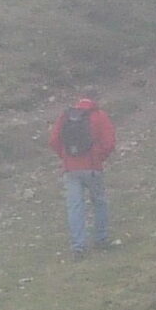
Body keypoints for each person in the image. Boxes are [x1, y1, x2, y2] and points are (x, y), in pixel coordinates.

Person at [48, 92, 116, 258]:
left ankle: (78, 246)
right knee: (99, 202)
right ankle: (101, 239)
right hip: (92, 167)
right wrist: (100, 158)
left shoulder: (67, 115)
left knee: (75, 206)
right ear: (95, 100)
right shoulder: (99, 115)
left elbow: (54, 140)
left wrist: (65, 157)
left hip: (71, 169)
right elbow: (109, 143)